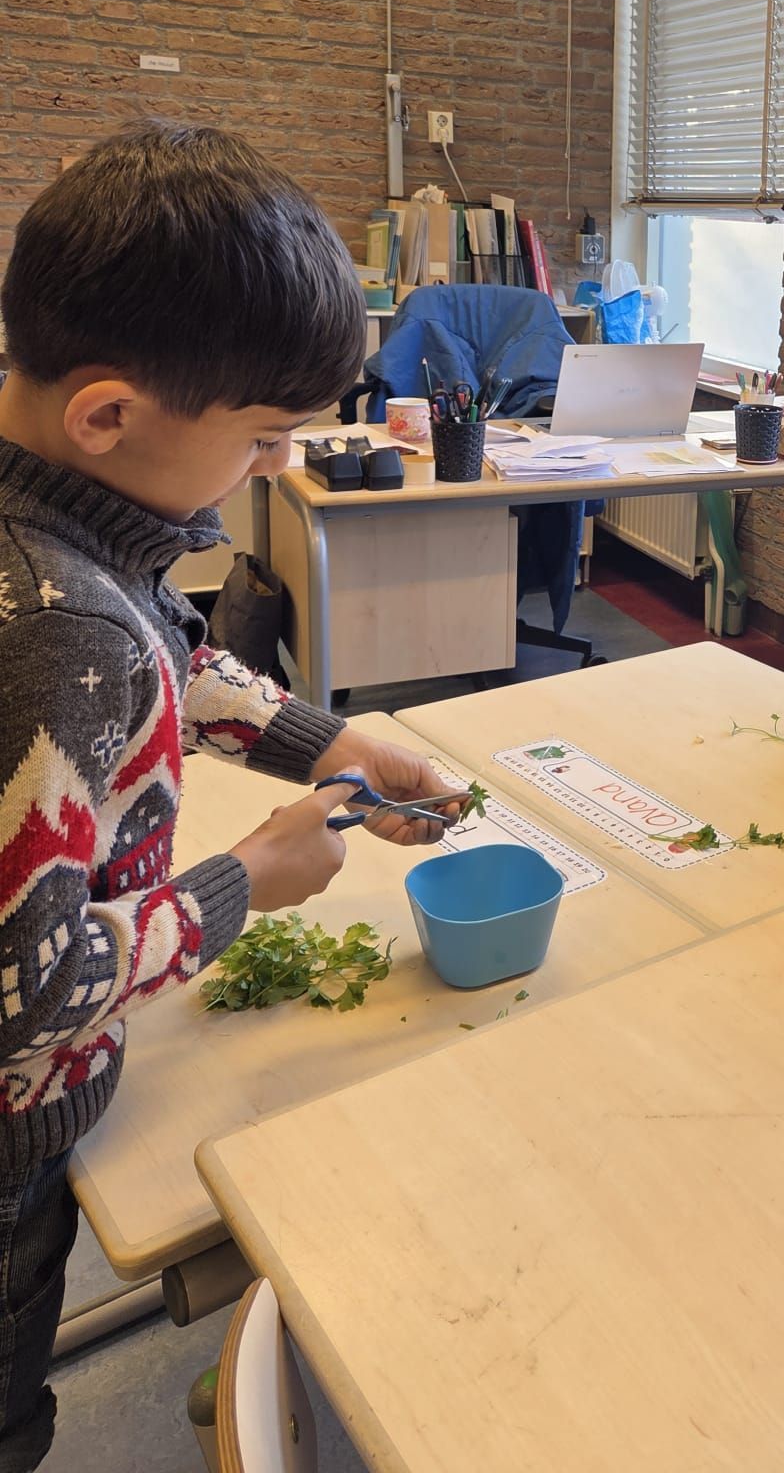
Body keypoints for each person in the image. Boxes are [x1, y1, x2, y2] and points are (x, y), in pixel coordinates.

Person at [0, 123, 461, 1468]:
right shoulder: (53, 623)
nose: (272, 465)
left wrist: (327, 741)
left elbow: (164, 660)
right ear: (107, 414)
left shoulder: (71, 534)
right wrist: (242, 882)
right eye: (263, 438)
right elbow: (26, 988)